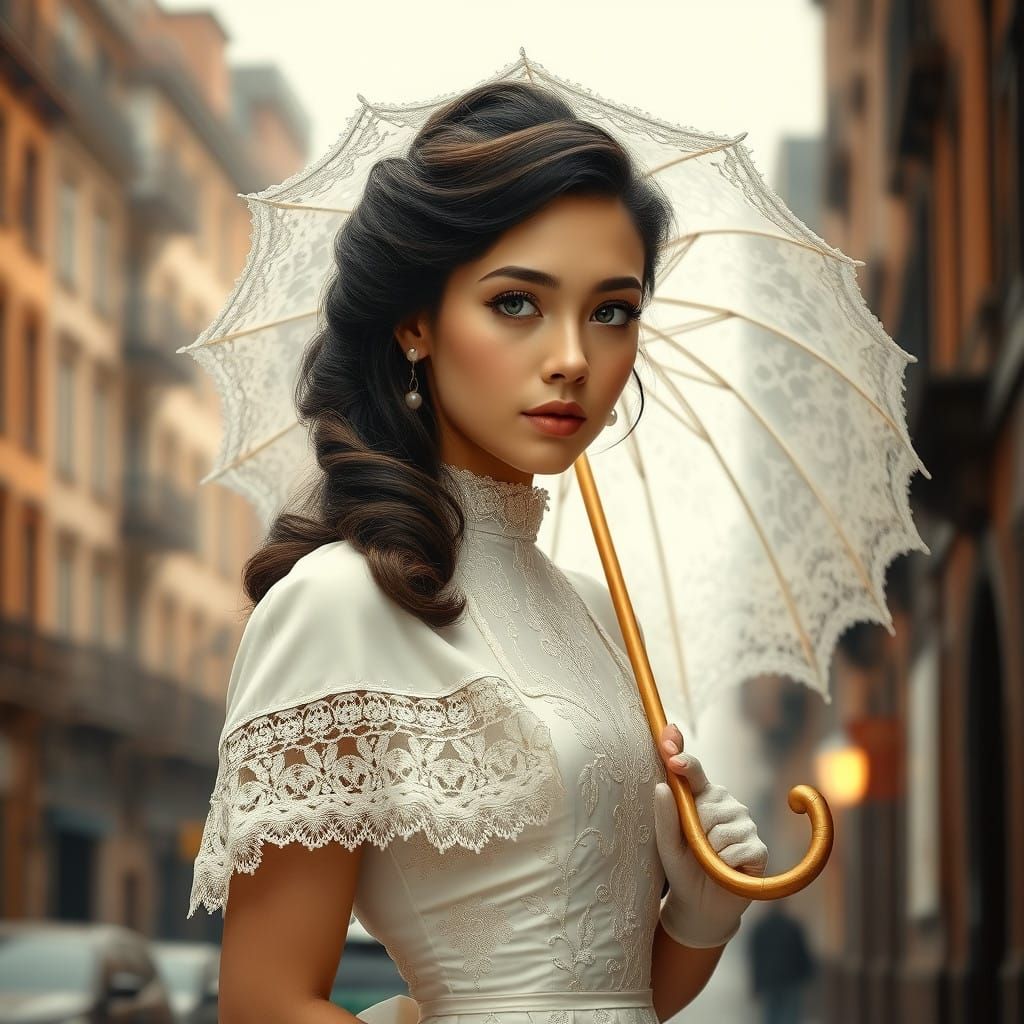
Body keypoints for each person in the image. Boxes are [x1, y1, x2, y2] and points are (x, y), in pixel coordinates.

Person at [186, 79, 769, 1024]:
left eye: (612, 311)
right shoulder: (336, 605)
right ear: (415, 324)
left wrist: (700, 916)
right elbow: (263, 1005)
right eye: (516, 303)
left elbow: (610, 996)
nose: (575, 357)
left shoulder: (592, 610)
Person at [747, 906, 816, 1024]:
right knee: (790, 1016)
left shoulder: (761, 928)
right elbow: (802, 953)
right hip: (791, 980)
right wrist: (808, 974)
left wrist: (756, 985)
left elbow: (756, 959)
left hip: (770, 981)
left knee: (771, 1016)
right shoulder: (792, 926)